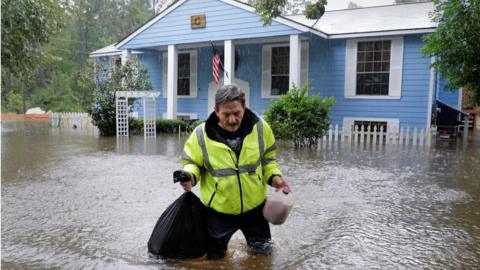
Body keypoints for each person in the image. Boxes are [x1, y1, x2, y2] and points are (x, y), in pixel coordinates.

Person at [178, 84, 292, 259]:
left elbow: (268, 160)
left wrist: (275, 178)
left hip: (255, 209)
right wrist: (189, 177)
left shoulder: (261, 128)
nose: (232, 120)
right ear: (216, 110)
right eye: (226, 114)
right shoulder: (200, 135)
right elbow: (192, 163)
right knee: (215, 260)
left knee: (263, 257)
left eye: (237, 113)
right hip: (218, 212)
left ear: (244, 107)